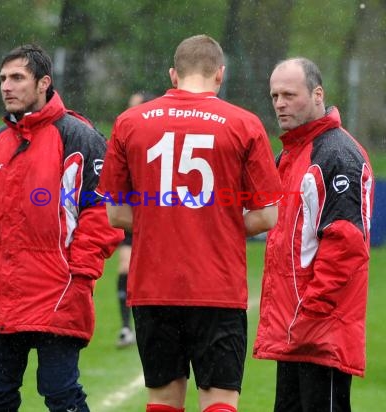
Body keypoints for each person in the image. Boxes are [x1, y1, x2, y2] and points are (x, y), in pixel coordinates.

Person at [99, 35, 282, 412]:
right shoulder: (244, 125)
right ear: (220, 74)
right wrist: (218, 221)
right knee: (219, 399)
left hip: (154, 284)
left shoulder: (130, 122)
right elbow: (267, 215)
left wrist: (163, 218)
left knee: (163, 399)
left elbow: (115, 214)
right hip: (216, 284)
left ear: (173, 74)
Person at [0, 44, 123, 412]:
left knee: (60, 394)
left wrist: (80, 271)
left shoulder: (79, 138)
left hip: (58, 290)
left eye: (17, 77)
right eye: (3, 78)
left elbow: (103, 211)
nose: (7, 87)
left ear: (44, 83)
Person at [253, 57, 375, 412]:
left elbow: (346, 245)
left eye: (289, 94)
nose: (279, 103)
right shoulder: (290, 154)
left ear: (318, 94)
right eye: (274, 95)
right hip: (295, 329)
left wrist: (309, 310)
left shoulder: (338, 155)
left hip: (321, 331)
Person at [116, 90, 156, 348]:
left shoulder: (154, 138)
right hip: (134, 216)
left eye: (134, 107)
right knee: (124, 266)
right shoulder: (126, 136)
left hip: (159, 220)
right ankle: (125, 328)